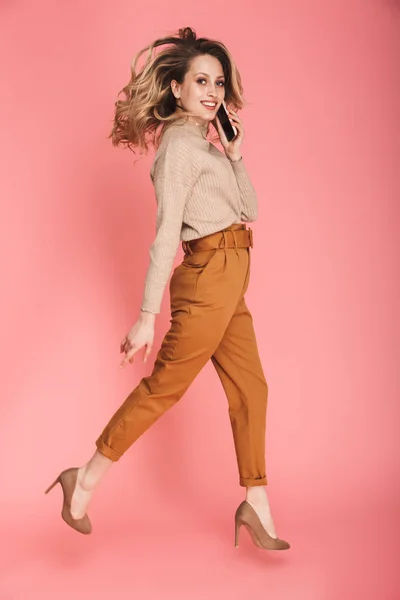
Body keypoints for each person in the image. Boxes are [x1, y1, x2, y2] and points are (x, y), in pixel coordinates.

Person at [45, 26, 290, 551]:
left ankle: (257, 501)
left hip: (232, 276)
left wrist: (236, 153)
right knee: (165, 388)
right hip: (207, 278)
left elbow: (250, 210)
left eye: (219, 83)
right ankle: (83, 479)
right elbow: (165, 234)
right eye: (201, 80)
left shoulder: (210, 147)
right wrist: (145, 314)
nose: (212, 92)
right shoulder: (178, 150)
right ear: (176, 88)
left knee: (252, 389)